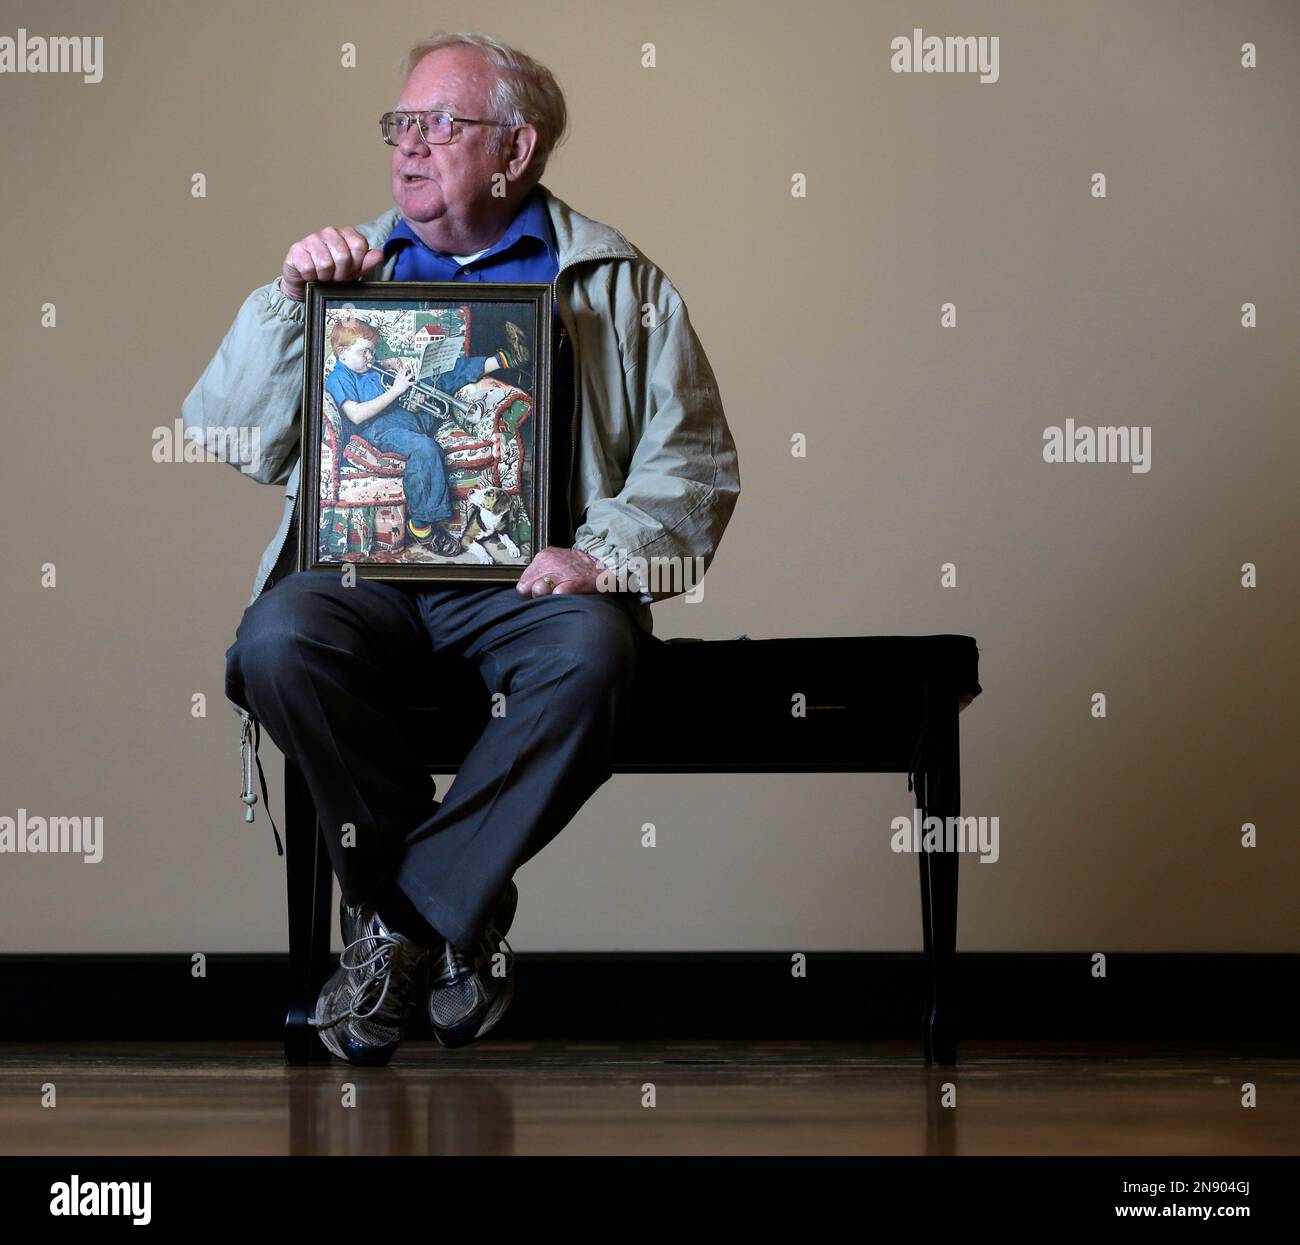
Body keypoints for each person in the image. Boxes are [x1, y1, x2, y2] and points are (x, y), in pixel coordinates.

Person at [187, 31, 740, 1066]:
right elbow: (231, 436)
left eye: (439, 125)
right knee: (276, 640)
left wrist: (602, 554)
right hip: (367, 577)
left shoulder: (617, 284)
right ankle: (457, 911)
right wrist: (287, 306)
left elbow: (694, 465)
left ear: (514, 151)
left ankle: (396, 928)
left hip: (527, 587)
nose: (406, 147)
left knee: (594, 650)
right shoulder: (345, 272)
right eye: (399, 124)